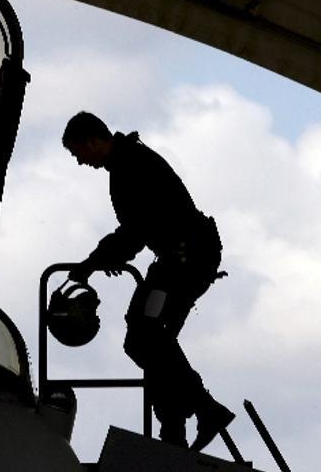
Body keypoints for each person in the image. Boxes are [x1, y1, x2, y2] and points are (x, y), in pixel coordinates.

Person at [62, 111, 233, 451]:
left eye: (77, 152)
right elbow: (136, 232)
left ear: (94, 140)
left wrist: (91, 264)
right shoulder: (128, 162)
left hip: (185, 259)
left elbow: (134, 233)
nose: (80, 162)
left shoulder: (129, 166)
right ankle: (175, 432)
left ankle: (203, 409)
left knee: (145, 334)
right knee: (152, 341)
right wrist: (103, 259)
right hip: (182, 258)